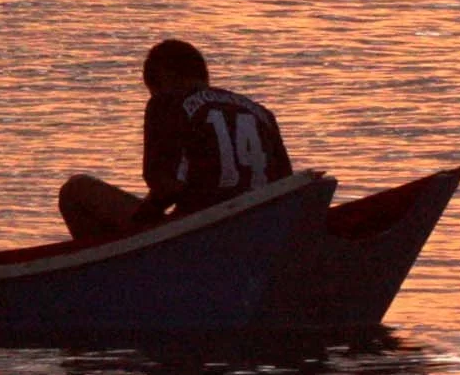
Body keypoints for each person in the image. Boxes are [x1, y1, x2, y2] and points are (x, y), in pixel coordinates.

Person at [58, 39, 293, 243]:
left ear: (163, 80)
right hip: (258, 228)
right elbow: (285, 186)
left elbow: (166, 187)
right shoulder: (261, 113)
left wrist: (137, 229)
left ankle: (115, 276)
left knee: (76, 191)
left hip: (199, 232)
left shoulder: (167, 102)